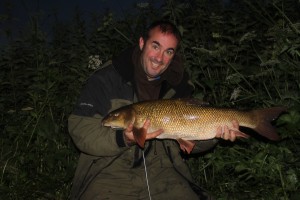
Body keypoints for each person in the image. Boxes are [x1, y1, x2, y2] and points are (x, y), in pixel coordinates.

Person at [68, 20, 242, 200]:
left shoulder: (178, 87)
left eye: (168, 52)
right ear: (142, 43)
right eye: (155, 46)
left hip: (166, 174)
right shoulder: (107, 79)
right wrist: (123, 139)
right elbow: (80, 131)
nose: (159, 58)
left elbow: (191, 141)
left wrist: (215, 135)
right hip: (110, 174)